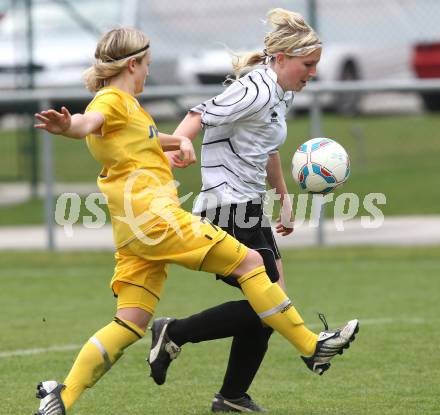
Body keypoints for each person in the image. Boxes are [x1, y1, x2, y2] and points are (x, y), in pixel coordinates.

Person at [32, 26, 358, 415]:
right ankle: (310, 345)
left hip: (133, 233)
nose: (148, 73)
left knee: (130, 323)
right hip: (157, 219)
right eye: (147, 66)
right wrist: (68, 126)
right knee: (253, 265)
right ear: (132, 63)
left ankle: (61, 397)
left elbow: (143, 140)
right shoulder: (113, 100)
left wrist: (179, 142)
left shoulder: (131, 109)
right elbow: (89, 121)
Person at [147, 8, 359, 413]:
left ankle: (230, 395)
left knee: (269, 306)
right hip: (225, 205)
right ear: (281, 58)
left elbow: (268, 147)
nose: (312, 72)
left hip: (248, 205)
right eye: (308, 64)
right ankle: (178, 334)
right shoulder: (255, 89)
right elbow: (198, 114)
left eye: (315, 65)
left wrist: (282, 198)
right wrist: (177, 145)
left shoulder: (281, 91)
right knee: (270, 301)